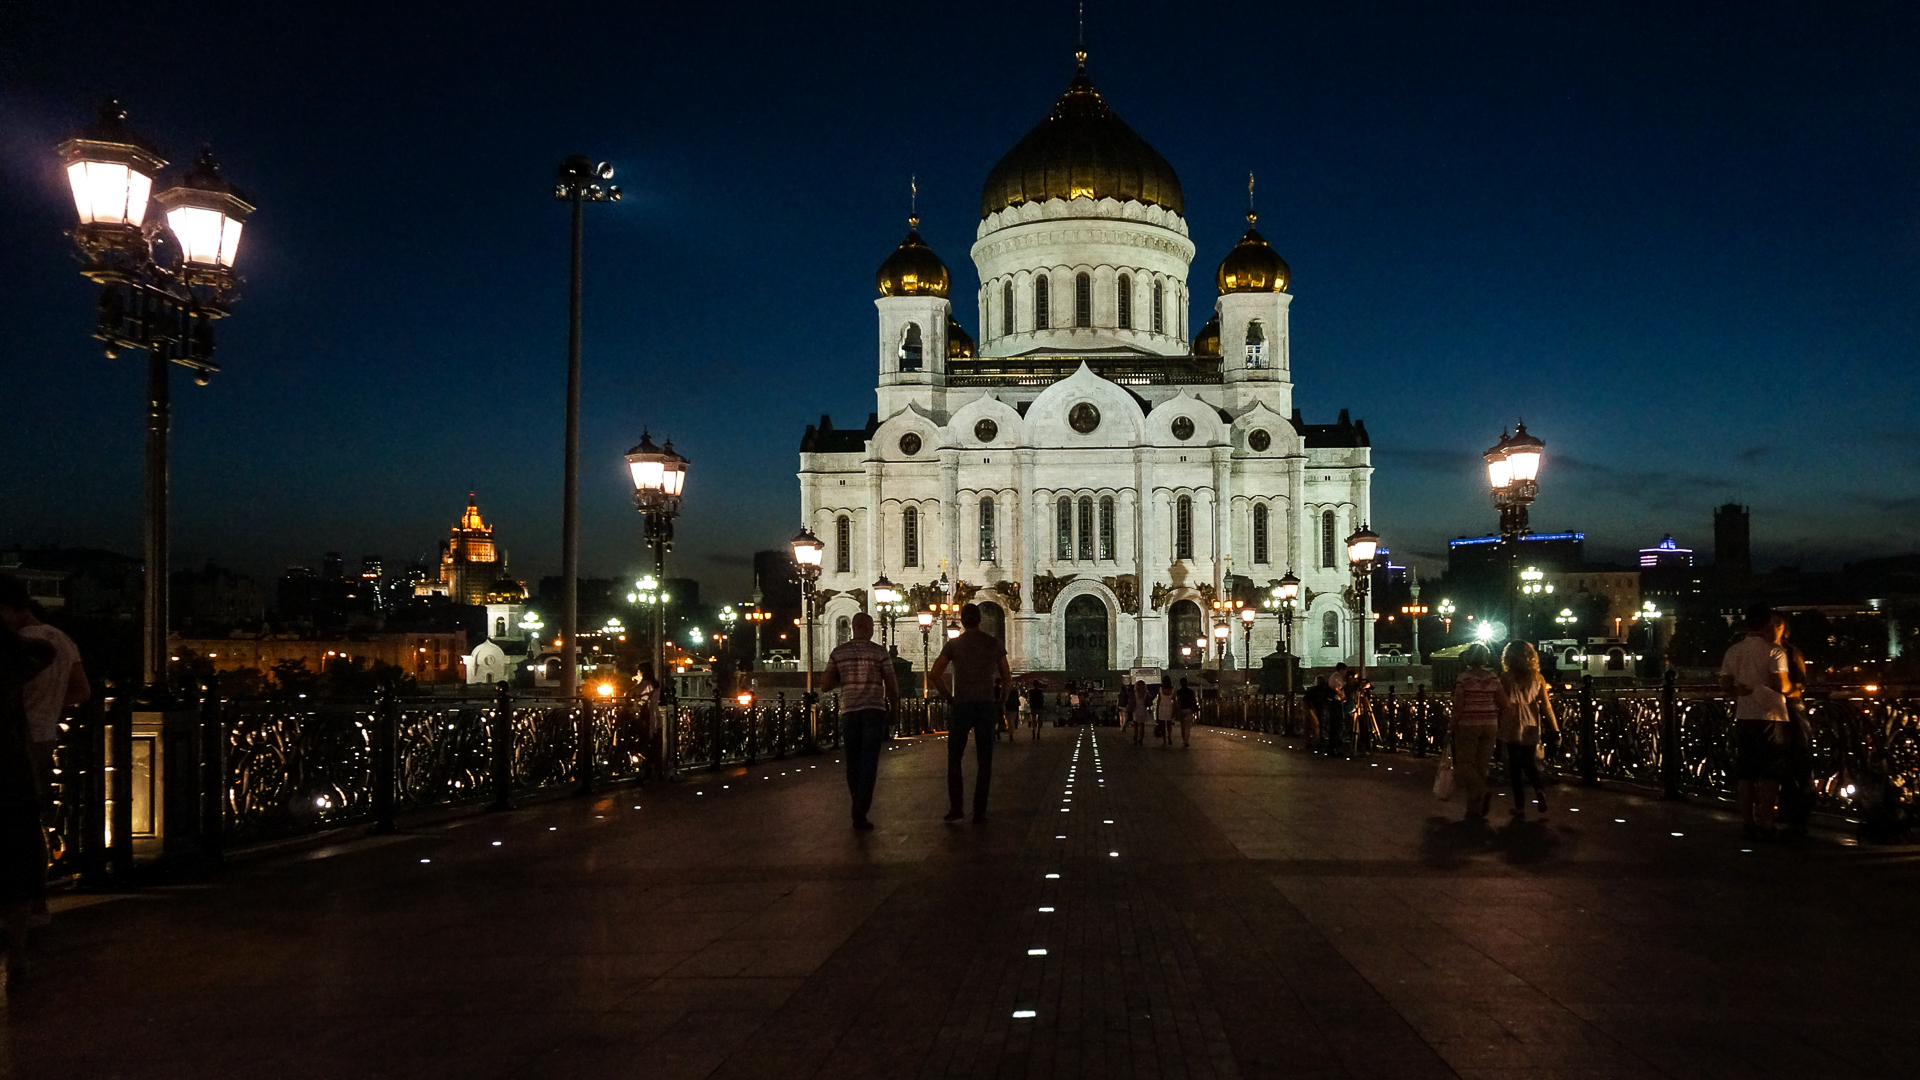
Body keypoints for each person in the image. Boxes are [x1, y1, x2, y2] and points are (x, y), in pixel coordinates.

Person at [0, 623, 53, 986]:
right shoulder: (10, 674)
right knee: (15, 870)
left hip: (11, 777)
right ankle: (17, 954)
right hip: (11, 776)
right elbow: (44, 652)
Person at [928, 604, 1011, 823]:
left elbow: (934, 674)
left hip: (962, 704)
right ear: (979, 620)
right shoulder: (993, 643)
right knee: (985, 759)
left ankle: (956, 807)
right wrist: (1001, 702)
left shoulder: (953, 645)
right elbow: (1006, 676)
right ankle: (979, 810)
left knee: (955, 757)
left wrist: (949, 697)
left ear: (963, 622)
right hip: (985, 704)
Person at [819, 612, 898, 830]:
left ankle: (857, 806)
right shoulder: (879, 652)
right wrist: (894, 711)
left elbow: (825, 685)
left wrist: (843, 676)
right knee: (869, 763)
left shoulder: (838, 652)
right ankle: (861, 811)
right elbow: (892, 686)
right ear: (869, 628)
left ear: (853, 627)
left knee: (852, 763)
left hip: (849, 712)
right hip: (874, 711)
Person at [1720, 605, 1791, 840]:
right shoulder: (1775, 652)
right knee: (1770, 773)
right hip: (1771, 716)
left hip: (1744, 715)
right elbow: (1781, 685)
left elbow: (1726, 684)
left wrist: (1738, 690)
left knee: (1746, 773)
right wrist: (1794, 688)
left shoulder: (1734, 650)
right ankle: (1767, 822)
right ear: (1767, 623)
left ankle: (1747, 821)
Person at [1498, 642, 1558, 818]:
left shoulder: (1506, 678)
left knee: (1515, 768)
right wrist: (1555, 729)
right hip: (1531, 724)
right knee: (1530, 762)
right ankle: (1539, 790)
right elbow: (1546, 705)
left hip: (1512, 723)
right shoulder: (1538, 678)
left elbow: (1501, 703)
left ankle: (1520, 807)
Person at [1450, 644, 1503, 820]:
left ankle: (1481, 790)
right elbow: (1504, 703)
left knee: (1465, 763)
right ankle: (1473, 808)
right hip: (1490, 724)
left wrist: (1451, 728)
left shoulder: (1464, 679)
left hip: (1468, 724)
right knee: (1481, 765)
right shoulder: (1494, 677)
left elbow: (1458, 706)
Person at [1778, 623, 1815, 836]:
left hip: (1789, 712)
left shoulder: (1791, 653)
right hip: (1785, 711)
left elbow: (1800, 685)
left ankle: (1794, 814)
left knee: (1795, 762)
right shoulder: (1787, 653)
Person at [1326, 663, 1351, 754]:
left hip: (1336, 702)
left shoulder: (1335, 676)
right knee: (1336, 725)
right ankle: (1333, 747)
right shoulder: (1336, 677)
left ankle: (1334, 746)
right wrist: (1342, 696)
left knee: (1336, 725)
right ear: (1342, 670)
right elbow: (1336, 688)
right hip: (1335, 703)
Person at [1175, 678, 1198, 747]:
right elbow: (1194, 700)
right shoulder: (1191, 692)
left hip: (1182, 709)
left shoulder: (1179, 692)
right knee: (1187, 726)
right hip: (1189, 709)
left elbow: (1178, 701)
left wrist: (1177, 710)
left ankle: (1184, 739)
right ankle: (1186, 740)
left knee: (1182, 726)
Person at [1127, 680, 1149, 745]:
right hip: (1143, 709)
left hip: (1136, 709)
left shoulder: (1134, 693)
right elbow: (1148, 702)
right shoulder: (1145, 693)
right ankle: (1141, 739)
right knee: (1142, 725)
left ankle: (1135, 738)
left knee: (1135, 725)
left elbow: (1131, 701)